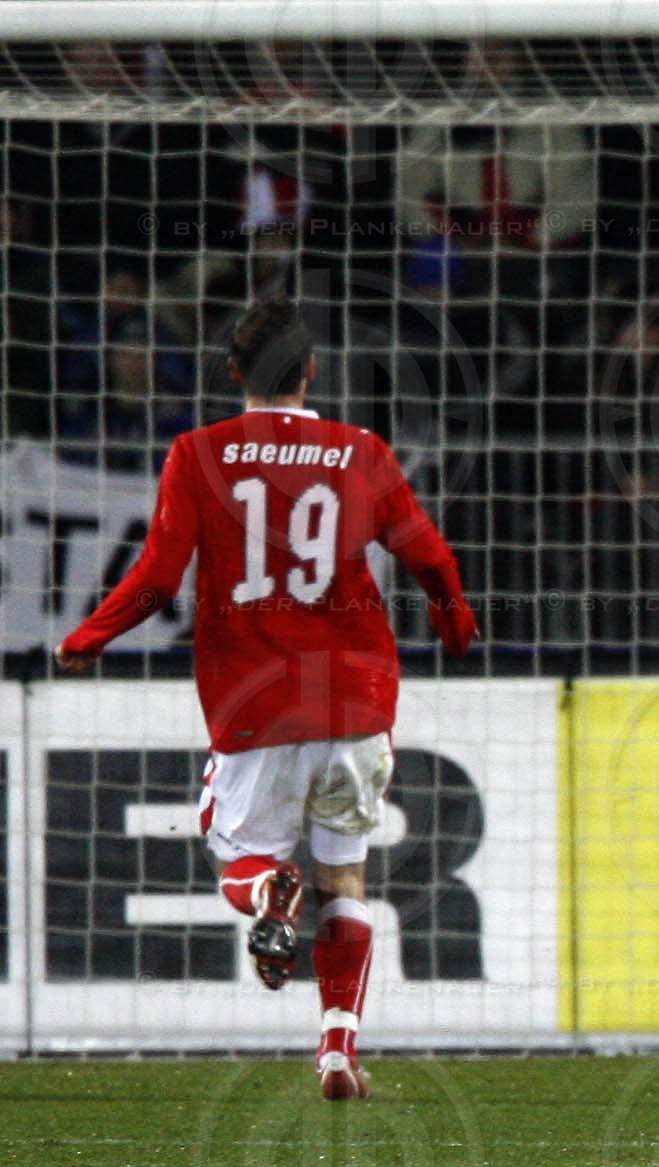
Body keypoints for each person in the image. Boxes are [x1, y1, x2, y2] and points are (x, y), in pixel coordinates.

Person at [54, 295, 479, 1102]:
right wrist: (454, 617)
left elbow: (155, 580)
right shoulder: (360, 451)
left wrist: (89, 637)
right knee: (345, 878)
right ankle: (337, 1050)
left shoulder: (197, 453)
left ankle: (267, 893)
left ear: (233, 372)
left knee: (239, 859)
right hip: (355, 702)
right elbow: (427, 552)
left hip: (255, 699)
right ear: (312, 370)